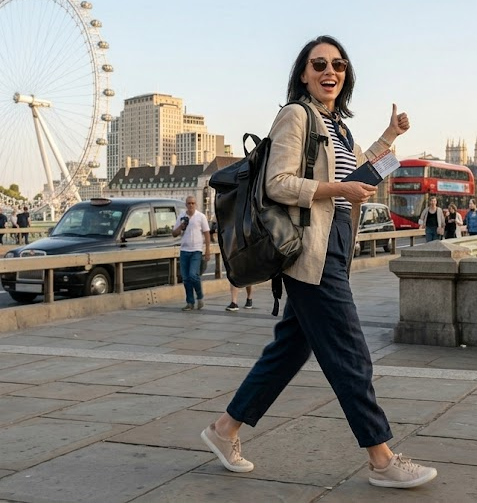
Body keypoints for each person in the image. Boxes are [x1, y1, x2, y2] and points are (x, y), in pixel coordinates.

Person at [201, 35, 437, 489]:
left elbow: (354, 176)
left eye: (339, 65)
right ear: (304, 73)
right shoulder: (296, 115)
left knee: (289, 350)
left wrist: (390, 138)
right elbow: (278, 184)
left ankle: (223, 430)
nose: (330, 71)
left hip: (335, 244)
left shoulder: (337, 126)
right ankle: (381, 458)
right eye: (320, 64)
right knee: (350, 353)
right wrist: (338, 192)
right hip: (311, 249)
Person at [173, 196, 211, 311]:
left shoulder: (201, 217)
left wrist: (208, 249)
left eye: (193, 203)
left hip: (196, 250)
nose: (191, 205)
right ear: (186, 205)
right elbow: (174, 233)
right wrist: (181, 226)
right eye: (189, 203)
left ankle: (199, 296)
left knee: (193, 275)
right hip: (184, 250)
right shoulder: (181, 216)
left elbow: (207, 233)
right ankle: (190, 302)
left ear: (196, 205)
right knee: (186, 278)